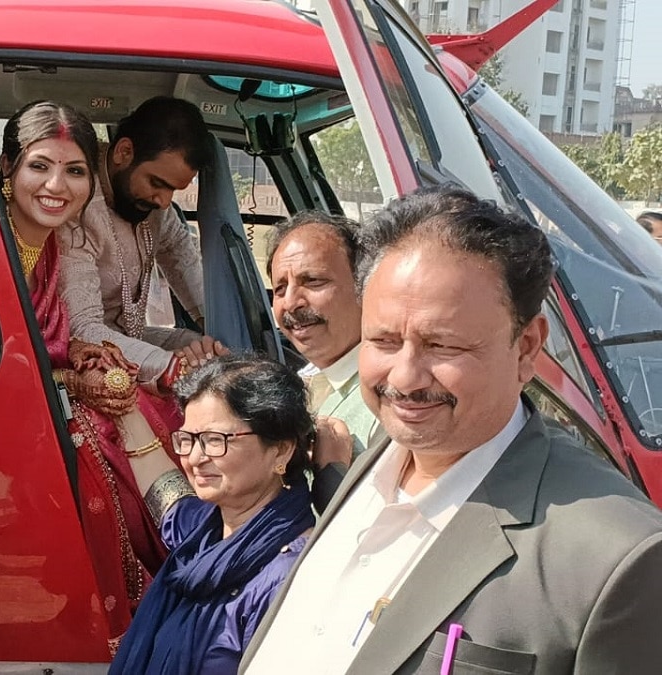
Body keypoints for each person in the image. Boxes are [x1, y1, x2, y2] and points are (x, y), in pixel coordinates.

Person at [240, 186, 662, 674]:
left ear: (526, 347)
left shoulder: (618, 559)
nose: (403, 379)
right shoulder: (380, 454)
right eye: (383, 340)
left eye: (443, 345)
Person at [0, 100, 185, 652]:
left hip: (37, 406)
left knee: (137, 398)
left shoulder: (56, 244)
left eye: (75, 171)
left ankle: (175, 579)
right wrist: (69, 383)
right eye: (40, 166)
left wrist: (84, 362)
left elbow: (56, 344)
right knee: (109, 425)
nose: (56, 185)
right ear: (8, 169)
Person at [110, 355, 353, 675]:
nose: (196, 458)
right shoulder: (204, 535)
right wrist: (122, 405)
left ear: (280, 449)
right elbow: (166, 495)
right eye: (188, 439)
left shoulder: (287, 576)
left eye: (215, 440)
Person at [58, 96, 227, 390]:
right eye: (157, 183)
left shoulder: (157, 212)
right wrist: (173, 367)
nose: (164, 202)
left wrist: (219, 335)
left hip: (128, 340)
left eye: (173, 190)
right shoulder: (79, 202)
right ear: (124, 152)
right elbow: (82, 329)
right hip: (82, 355)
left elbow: (187, 268)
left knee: (202, 347)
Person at [268, 211, 378, 454]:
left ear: (365, 287)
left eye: (314, 281)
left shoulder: (393, 399)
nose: (291, 302)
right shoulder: (303, 383)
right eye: (280, 288)